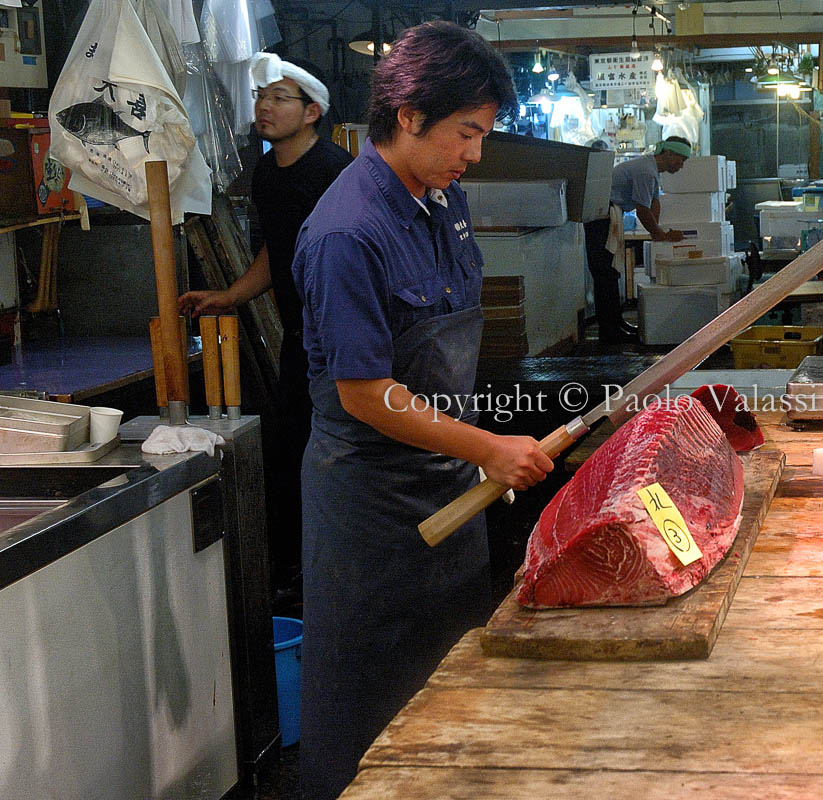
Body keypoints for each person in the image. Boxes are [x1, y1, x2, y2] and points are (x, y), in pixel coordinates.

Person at [290, 21, 554, 800]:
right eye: (466, 133)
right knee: (369, 710)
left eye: (483, 133)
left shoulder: (443, 199)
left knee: (453, 688)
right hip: (369, 505)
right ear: (408, 116)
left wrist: (475, 452)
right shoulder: (347, 232)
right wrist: (488, 445)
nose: (475, 153)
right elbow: (364, 393)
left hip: (450, 486)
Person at [177, 53, 352, 598]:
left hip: (343, 337)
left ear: (312, 112)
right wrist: (228, 297)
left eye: (279, 98)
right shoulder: (265, 175)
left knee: (336, 453)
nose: (265, 107)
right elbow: (275, 254)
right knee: (292, 449)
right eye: (261, 98)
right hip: (300, 338)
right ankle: (297, 573)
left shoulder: (334, 172)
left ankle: (331, 570)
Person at [584, 136, 690, 343]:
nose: (682, 165)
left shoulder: (651, 169)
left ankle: (616, 323)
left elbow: (653, 203)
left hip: (610, 216)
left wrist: (657, 233)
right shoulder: (646, 171)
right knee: (605, 274)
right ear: (668, 153)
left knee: (612, 273)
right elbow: (642, 211)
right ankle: (609, 332)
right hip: (601, 218)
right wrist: (660, 235)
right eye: (681, 159)